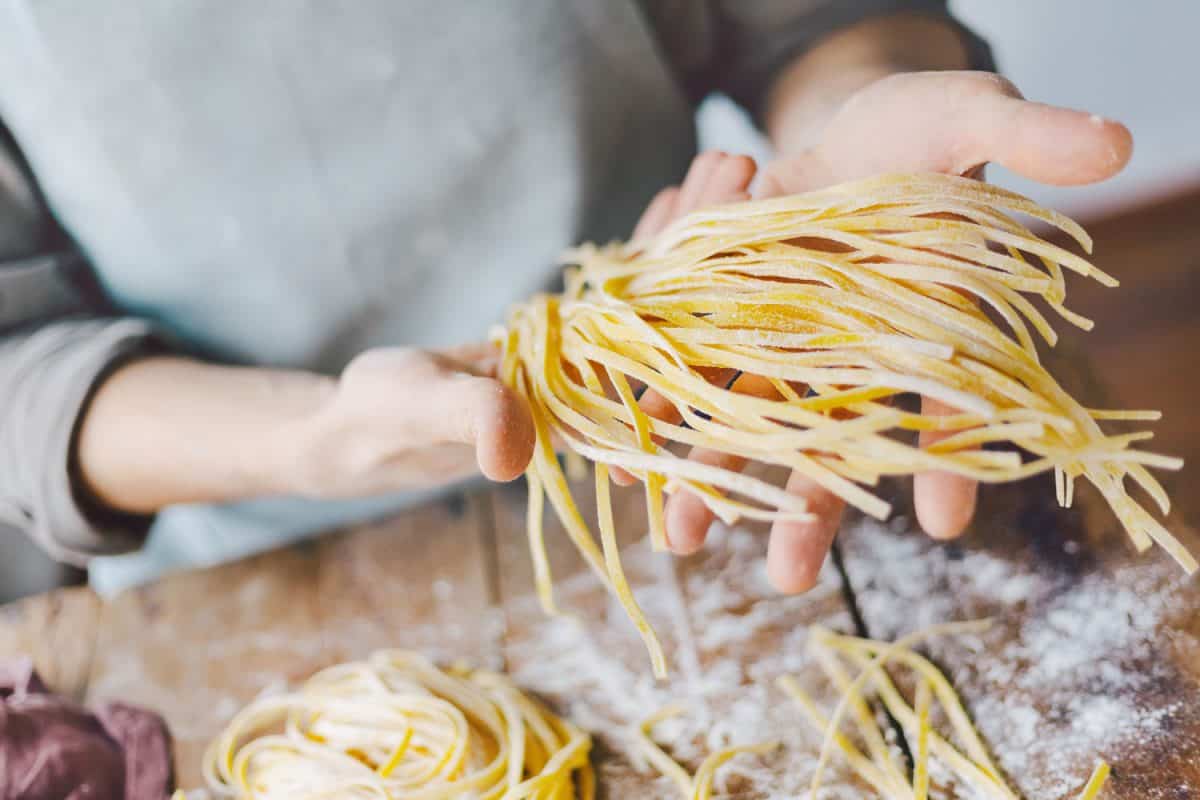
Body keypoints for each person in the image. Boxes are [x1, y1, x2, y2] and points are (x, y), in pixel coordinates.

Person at [0, 2, 1132, 596]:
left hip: (724, 434)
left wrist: (846, 192)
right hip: (254, 559)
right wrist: (317, 436)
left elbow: (824, 19)